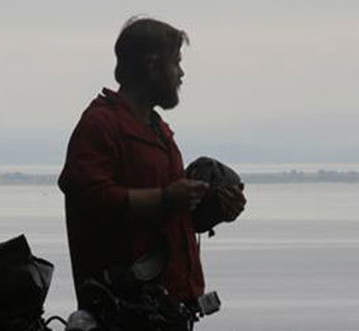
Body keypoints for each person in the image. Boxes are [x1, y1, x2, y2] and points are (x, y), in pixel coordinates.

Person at [58, 17, 245, 308]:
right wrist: (167, 198)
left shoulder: (157, 129)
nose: (181, 74)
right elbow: (89, 197)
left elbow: (164, 220)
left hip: (169, 313)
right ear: (151, 64)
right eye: (176, 63)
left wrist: (212, 210)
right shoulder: (101, 124)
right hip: (123, 315)